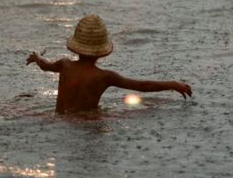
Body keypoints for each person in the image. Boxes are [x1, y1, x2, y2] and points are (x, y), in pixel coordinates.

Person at [26, 14, 192, 114]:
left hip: (60, 119)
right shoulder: (105, 77)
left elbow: (45, 65)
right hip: (88, 121)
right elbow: (142, 86)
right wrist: (172, 84)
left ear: (76, 46)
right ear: (101, 51)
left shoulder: (64, 64)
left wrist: (37, 56)